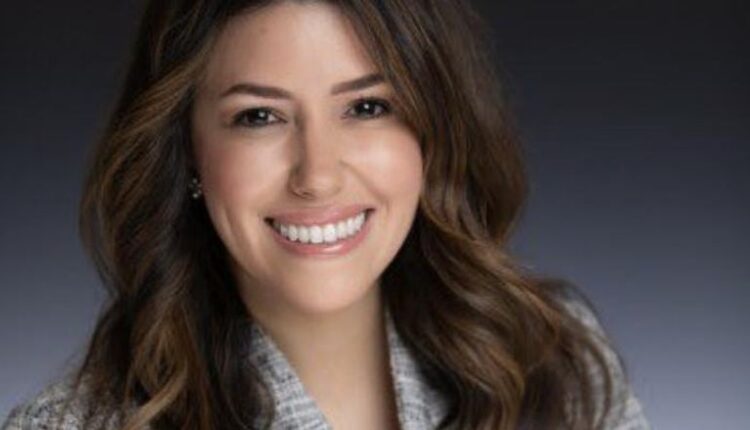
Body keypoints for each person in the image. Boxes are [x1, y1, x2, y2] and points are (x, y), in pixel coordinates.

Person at [2, 0, 651, 429]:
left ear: (434, 132)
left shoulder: (559, 366)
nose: (317, 175)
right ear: (187, 150)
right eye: (259, 116)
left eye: (366, 107)